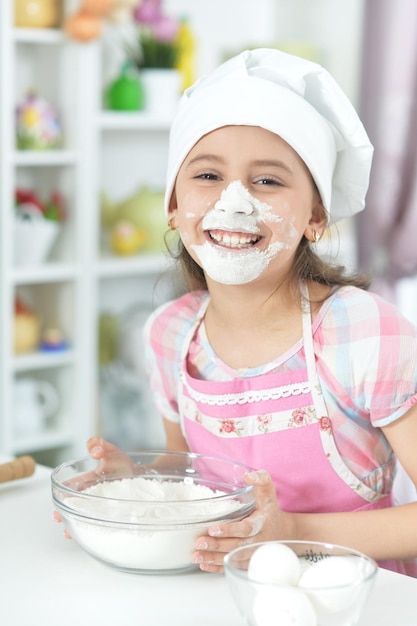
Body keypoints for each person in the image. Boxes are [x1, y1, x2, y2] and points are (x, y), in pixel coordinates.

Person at [90, 48, 417, 576]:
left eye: (268, 181)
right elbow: (199, 483)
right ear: (173, 206)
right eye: (207, 176)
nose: (234, 201)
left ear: (315, 215)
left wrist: (295, 531)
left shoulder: (364, 332)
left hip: (358, 599)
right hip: (228, 597)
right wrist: (135, 481)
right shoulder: (171, 334)